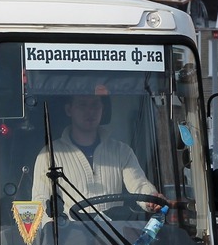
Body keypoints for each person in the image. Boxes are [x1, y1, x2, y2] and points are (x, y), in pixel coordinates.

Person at [31, 92, 162, 216]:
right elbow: (41, 202)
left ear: (103, 109)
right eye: (82, 104)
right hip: (69, 237)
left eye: (95, 105)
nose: (90, 111)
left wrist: (151, 199)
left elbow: (139, 185)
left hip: (115, 237)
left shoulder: (121, 151)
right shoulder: (49, 155)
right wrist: (49, 233)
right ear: (69, 110)